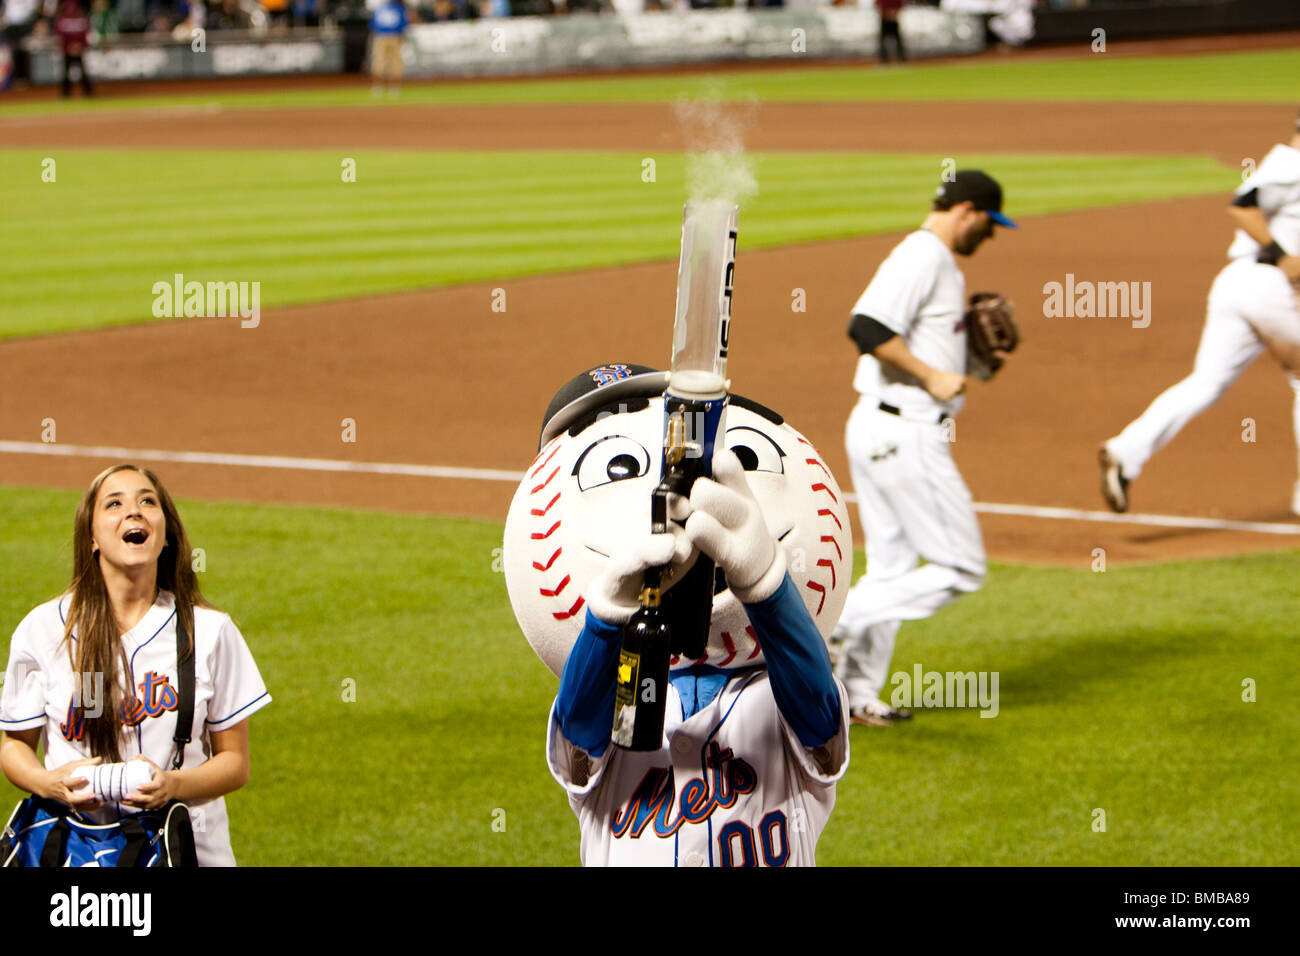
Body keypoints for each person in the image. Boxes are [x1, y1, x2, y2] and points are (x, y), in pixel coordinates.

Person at [502, 366, 855, 866]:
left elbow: (818, 712)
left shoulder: (777, 702)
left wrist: (764, 585)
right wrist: (608, 617)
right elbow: (581, 728)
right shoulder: (626, 696)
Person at [0, 464, 272, 866]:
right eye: (115, 503)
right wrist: (47, 783)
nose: (134, 511)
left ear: (165, 536)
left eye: (148, 501)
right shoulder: (43, 630)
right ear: (91, 537)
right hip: (76, 857)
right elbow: (14, 745)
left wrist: (173, 784)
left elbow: (235, 763)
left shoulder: (209, 632)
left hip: (190, 852)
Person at [831, 170, 1017, 726]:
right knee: (961, 567)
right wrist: (934, 377)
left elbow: (917, 342)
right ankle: (832, 626)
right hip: (905, 431)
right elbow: (865, 326)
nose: (991, 235)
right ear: (967, 210)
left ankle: (853, 694)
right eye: (989, 223)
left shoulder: (937, 263)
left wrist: (969, 365)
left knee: (891, 568)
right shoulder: (925, 254)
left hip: (882, 427)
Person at [1100, 113, 1300, 517]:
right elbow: (1243, 207)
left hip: (1237, 284)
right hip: (1272, 286)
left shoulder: (1285, 163)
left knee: (1206, 382)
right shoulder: (1290, 163)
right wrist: (1283, 257)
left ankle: (1126, 450)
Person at [53, 0, 92, 98]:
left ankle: (85, 93)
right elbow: (60, 36)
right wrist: (73, 46)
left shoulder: (65, 19)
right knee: (69, 73)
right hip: (70, 50)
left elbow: (85, 34)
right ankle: (69, 93)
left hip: (74, 50)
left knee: (81, 73)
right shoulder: (78, 18)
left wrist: (78, 46)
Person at [369, 0, 407, 97]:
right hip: (394, 37)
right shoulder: (398, 8)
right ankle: (394, 87)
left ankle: (378, 87)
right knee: (394, 63)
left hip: (381, 37)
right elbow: (403, 24)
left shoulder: (379, 8)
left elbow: (373, 25)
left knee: (380, 62)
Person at [876, 0, 906, 65]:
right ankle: (884, 60)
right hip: (884, 19)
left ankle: (901, 59)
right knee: (882, 41)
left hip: (894, 19)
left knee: (898, 40)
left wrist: (894, 13)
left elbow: (900, 5)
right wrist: (885, 13)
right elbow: (878, 4)